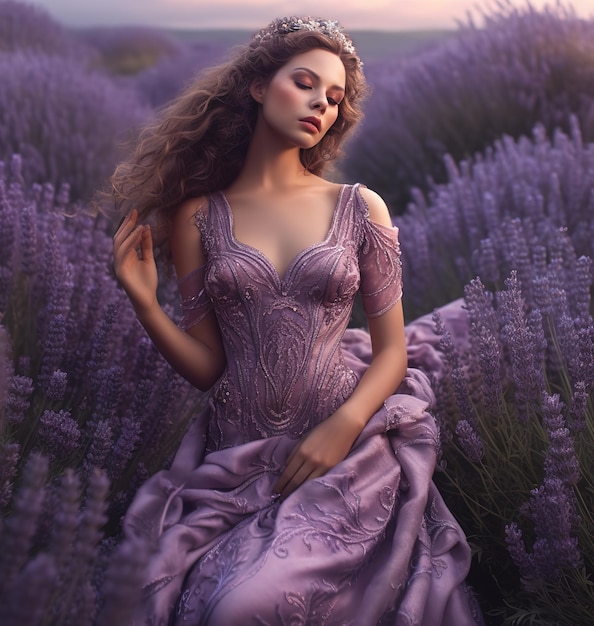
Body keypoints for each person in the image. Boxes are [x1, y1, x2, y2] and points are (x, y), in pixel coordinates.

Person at [112, 16, 482, 626]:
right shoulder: (198, 216)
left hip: (344, 452)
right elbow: (211, 368)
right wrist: (146, 305)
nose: (320, 104)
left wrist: (345, 425)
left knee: (243, 607)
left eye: (334, 98)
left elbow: (392, 352)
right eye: (305, 83)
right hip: (238, 456)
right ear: (259, 86)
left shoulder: (359, 207)